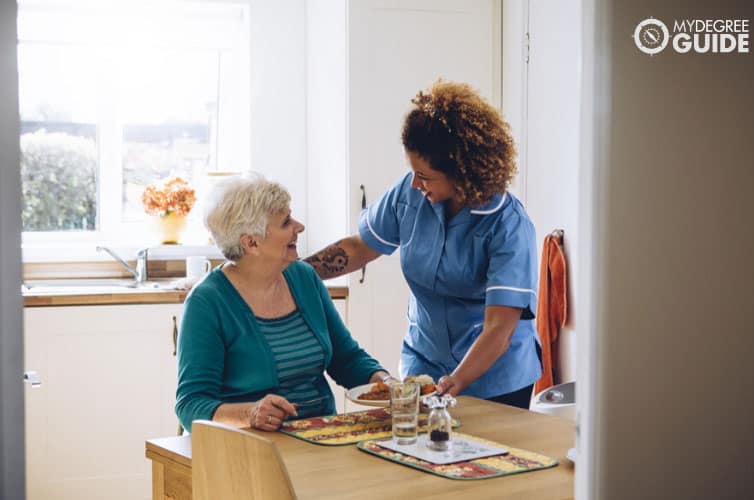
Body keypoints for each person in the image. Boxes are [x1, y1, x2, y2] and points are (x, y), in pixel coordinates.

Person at [305, 80, 540, 409]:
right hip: (424, 365)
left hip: (495, 378)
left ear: (461, 172)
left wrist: (456, 381)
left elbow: (499, 328)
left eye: (425, 175)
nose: (415, 182)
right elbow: (360, 247)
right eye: (412, 171)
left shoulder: (508, 225)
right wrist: (296, 272)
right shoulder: (410, 193)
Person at [175, 174, 389, 432]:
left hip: (319, 436)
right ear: (251, 243)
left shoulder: (304, 277)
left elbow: (346, 359)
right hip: (247, 447)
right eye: (286, 222)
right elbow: (191, 404)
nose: (299, 227)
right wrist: (251, 413)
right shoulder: (207, 302)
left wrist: (385, 382)